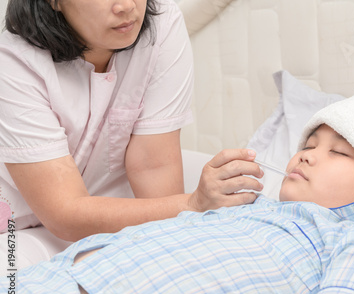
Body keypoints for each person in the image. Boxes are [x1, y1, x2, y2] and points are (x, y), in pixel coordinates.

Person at [0, 90, 354, 294]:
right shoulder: (239, 207)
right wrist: (197, 203)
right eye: (308, 144)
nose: (305, 156)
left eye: (338, 153)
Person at [0, 0, 263, 270]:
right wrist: (191, 204)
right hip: (15, 228)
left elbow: (153, 164)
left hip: (108, 211)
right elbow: (65, 212)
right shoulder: (12, 63)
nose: (126, 6)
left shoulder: (161, 24)